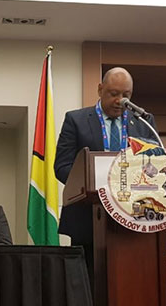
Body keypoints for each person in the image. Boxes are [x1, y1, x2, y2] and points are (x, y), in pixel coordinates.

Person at [54, 67, 159, 246]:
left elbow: (155, 162)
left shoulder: (143, 122)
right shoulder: (76, 120)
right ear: (100, 89)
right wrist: (96, 184)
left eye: (126, 95)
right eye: (114, 94)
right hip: (88, 216)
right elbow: (62, 167)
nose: (120, 101)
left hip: (134, 215)